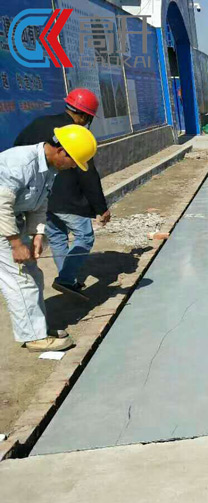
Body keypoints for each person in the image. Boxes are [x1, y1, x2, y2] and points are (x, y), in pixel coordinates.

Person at [0, 125, 98, 352]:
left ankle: (37, 329)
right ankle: (34, 338)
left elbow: (40, 203)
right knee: (21, 279)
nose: (73, 167)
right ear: (61, 151)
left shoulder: (48, 168)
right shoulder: (20, 164)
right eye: (74, 161)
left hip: (12, 222)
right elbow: (1, 205)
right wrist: (16, 243)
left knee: (34, 276)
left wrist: (37, 234)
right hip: (4, 223)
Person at [14, 88, 110, 302]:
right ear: (84, 116)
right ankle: (66, 278)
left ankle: (68, 280)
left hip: (40, 198)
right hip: (67, 198)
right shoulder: (75, 135)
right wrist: (101, 207)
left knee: (57, 237)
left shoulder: (39, 123)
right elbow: (88, 174)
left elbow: (18, 148)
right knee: (85, 236)